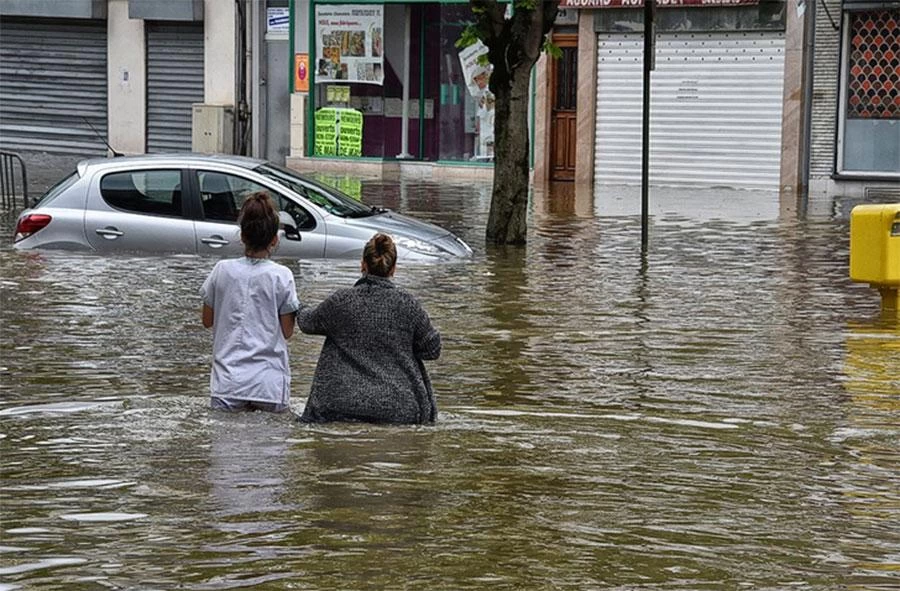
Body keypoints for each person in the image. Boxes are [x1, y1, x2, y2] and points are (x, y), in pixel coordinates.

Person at [296, 233, 441, 424]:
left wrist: (297, 304)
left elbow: (307, 322)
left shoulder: (341, 301)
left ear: (362, 264)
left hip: (338, 404)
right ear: (394, 268)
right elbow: (432, 349)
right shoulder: (408, 305)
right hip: (398, 408)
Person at [200, 192, 300, 412]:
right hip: (268, 383)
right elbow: (287, 331)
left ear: (242, 236)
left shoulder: (221, 270)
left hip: (228, 381)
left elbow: (207, 320)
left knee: (226, 445)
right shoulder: (282, 276)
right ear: (275, 239)